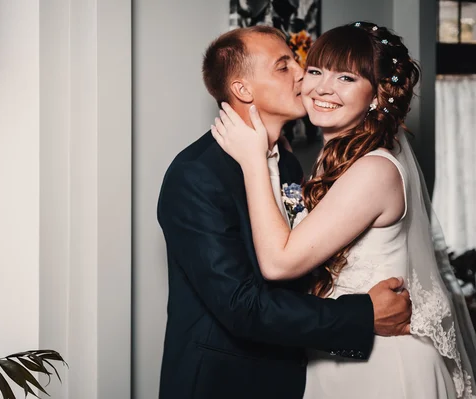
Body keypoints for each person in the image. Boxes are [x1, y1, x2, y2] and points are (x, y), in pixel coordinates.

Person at [211, 22, 476, 398]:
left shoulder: (374, 170)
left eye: (346, 77)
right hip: (337, 355)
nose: (321, 87)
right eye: (316, 71)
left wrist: (254, 161)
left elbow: (279, 263)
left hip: (382, 367)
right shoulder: (331, 160)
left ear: (376, 95)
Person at [156, 25, 412, 399]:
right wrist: (362, 314)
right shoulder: (197, 174)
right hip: (225, 382)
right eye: (283, 66)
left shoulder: (290, 165)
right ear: (243, 89)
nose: (302, 73)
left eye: (297, 60)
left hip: (297, 373)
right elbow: (242, 306)